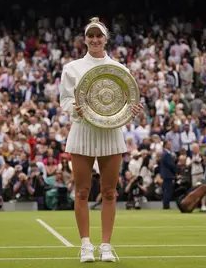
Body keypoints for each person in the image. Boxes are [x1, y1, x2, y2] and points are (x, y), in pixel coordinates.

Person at [59, 17, 143, 263]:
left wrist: (132, 110)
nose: (95, 40)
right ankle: (86, 245)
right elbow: (64, 101)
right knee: (82, 192)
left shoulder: (120, 70)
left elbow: (128, 101)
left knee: (109, 192)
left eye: (99, 36)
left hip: (111, 133)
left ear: (105, 39)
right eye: (91, 36)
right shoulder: (71, 68)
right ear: (85, 39)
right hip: (82, 131)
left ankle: (106, 246)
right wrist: (76, 109)